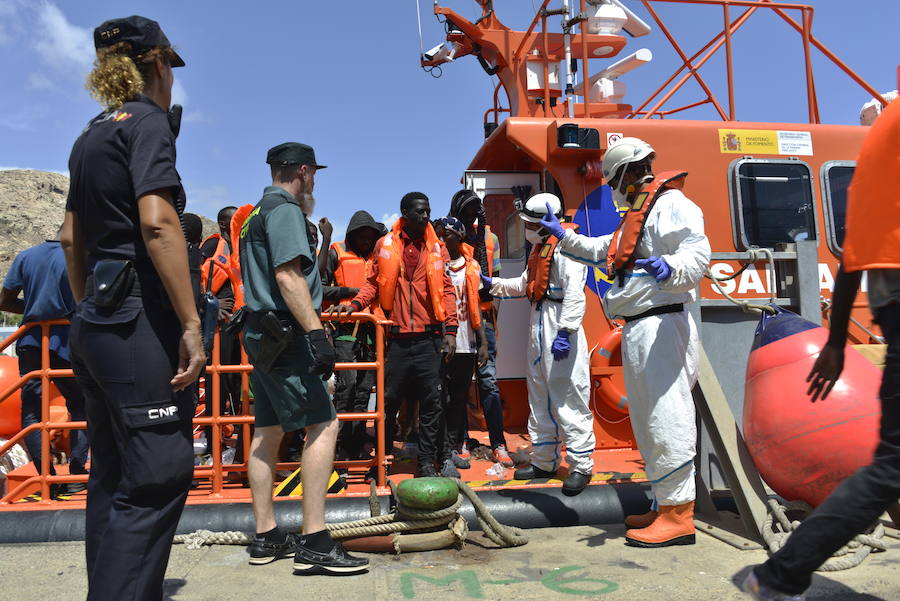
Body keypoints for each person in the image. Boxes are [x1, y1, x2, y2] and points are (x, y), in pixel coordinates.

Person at [60, 15, 205, 600]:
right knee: (156, 476)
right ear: (161, 63)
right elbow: (157, 222)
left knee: (113, 475)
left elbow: (72, 237)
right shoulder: (146, 123)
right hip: (138, 324)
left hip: (96, 321)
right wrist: (192, 323)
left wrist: (87, 306)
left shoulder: (89, 134)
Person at [740, 98, 900, 600]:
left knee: (889, 468)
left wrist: (834, 344)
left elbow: (855, 255)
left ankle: (780, 573)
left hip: (892, 308)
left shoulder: (874, 161)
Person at [539, 137, 711, 546]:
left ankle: (679, 515)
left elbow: (697, 252)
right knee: (649, 421)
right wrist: (563, 236)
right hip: (641, 326)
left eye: (621, 177)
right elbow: (603, 250)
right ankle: (663, 504)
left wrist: (669, 266)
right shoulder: (639, 214)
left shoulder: (670, 205)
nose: (625, 184)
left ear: (629, 173)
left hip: (661, 324)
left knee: (667, 417)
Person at [239, 141, 368, 575]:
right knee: (325, 423)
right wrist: (316, 335)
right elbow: (288, 275)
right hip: (287, 334)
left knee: (269, 429)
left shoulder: (254, 214)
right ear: (303, 172)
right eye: (313, 173)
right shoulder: (287, 211)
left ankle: (266, 534)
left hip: (261, 333)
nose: (314, 181)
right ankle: (315, 540)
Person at [329, 192, 459, 478]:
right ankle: (383, 462)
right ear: (404, 213)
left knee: (432, 405)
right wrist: (353, 305)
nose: (425, 216)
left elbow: (448, 291)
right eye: (419, 211)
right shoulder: (384, 245)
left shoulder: (438, 247)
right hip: (397, 340)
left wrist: (451, 330)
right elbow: (373, 284)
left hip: (430, 338)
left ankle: (425, 463)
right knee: (387, 404)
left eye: (427, 211)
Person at [483, 193, 596, 496]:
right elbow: (524, 284)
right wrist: (491, 284)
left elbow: (575, 294)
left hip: (559, 323)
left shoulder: (568, 247)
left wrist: (567, 331)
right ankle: (545, 460)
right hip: (539, 320)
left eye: (532, 223)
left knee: (569, 397)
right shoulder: (540, 248)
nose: (528, 228)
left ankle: (581, 465)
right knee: (540, 394)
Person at [1, 232, 87, 497]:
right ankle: (75, 472)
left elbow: (4, 300)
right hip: (68, 340)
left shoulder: (26, 256)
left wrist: (34, 308)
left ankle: (44, 473)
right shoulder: (81, 256)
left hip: (31, 340)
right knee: (82, 404)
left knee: (32, 412)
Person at [449, 190, 512, 466]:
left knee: (488, 382)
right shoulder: (449, 237)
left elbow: (492, 282)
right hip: (459, 320)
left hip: (484, 319)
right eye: (466, 212)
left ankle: (499, 443)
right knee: (458, 385)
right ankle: (460, 440)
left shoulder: (491, 238)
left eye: (476, 212)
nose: (471, 217)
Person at [322, 210, 385, 464]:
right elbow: (320, 286)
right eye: (361, 237)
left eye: (371, 237)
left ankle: (357, 442)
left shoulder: (379, 258)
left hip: (371, 332)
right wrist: (352, 292)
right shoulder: (336, 253)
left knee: (362, 391)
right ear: (352, 236)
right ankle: (338, 446)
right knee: (345, 388)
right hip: (345, 330)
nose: (366, 242)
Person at [435, 217, 489, 470]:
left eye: (446, 234)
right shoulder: (435, 264)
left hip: (466, 341)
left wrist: (484, 343)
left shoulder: (472, 266)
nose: (441, 239)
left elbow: (476, 305)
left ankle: (457, 444)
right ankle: (441, 445)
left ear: (458, 237)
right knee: (440, 396)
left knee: (458, 397)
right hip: (443, 341)